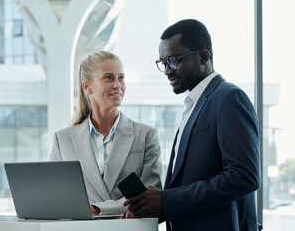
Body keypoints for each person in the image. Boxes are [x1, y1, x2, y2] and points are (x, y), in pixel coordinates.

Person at [122, 19, 261, 231]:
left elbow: (244, 177)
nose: (168, 70)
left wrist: (166, 200)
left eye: (174, 60)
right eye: (163, 63)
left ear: (203, 56)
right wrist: (153, 205)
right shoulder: (194, 105)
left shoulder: (229, 98)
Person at [50, 51, 162, 215]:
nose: (118, 85)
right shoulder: (63, 139)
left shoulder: (146, 136)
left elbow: (149, 197)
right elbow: (56, 195)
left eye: (121, 78)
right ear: (87, 87)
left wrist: (97, 209)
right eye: (109, 78)